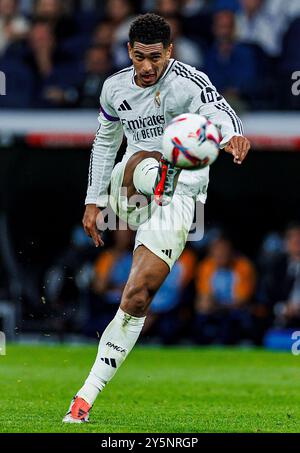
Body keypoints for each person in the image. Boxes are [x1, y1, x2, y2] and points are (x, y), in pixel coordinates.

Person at [63, 12, 250, 423]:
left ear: (170, 51)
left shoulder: (188, 80)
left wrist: (233, 133)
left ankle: (83, 400)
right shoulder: (114, 89)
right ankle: (162, 169)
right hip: (131, 183)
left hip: (182, 196)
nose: (147, 67)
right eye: (140, 57)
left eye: (156, 58)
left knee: (137, 296)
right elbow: (104, 142)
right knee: (147, 158)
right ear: (129, 51)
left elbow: (219, 111)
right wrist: (92, 202)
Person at [193, 236, 256, 344]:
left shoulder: (243, 266)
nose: (221, 255)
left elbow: (241, 300)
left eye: (224, 252)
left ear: (231, 252)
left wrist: (218, 306)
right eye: (217, 253)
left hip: (235, 310)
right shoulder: (206, 266)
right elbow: (204, 297)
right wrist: (208, 304)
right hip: (214, 309)